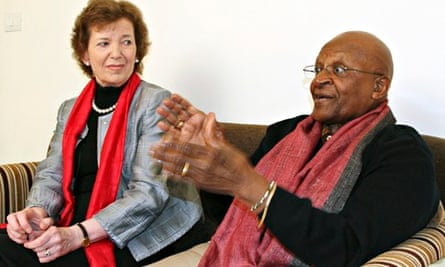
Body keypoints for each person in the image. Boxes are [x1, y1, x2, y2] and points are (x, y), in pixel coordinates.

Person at [150, 31, 440, 266]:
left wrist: (252, 186)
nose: (319, 79)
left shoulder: (402, 153)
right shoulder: (288, 133)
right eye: (318, 69)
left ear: (378, 87)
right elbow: (228, 216)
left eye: (338, 69)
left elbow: (345, 246)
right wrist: (211, 167)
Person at [0, 0, 209, 266]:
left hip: (143, 227)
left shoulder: (157, 103)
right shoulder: (70, 109)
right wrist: (36, 213)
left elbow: (149, 194)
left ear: (137, 51)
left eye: (126, 42)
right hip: (79, 220)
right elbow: (51, 173)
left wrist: (78, 235)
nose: (117, 53)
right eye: (104, 43)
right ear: (85, 55)